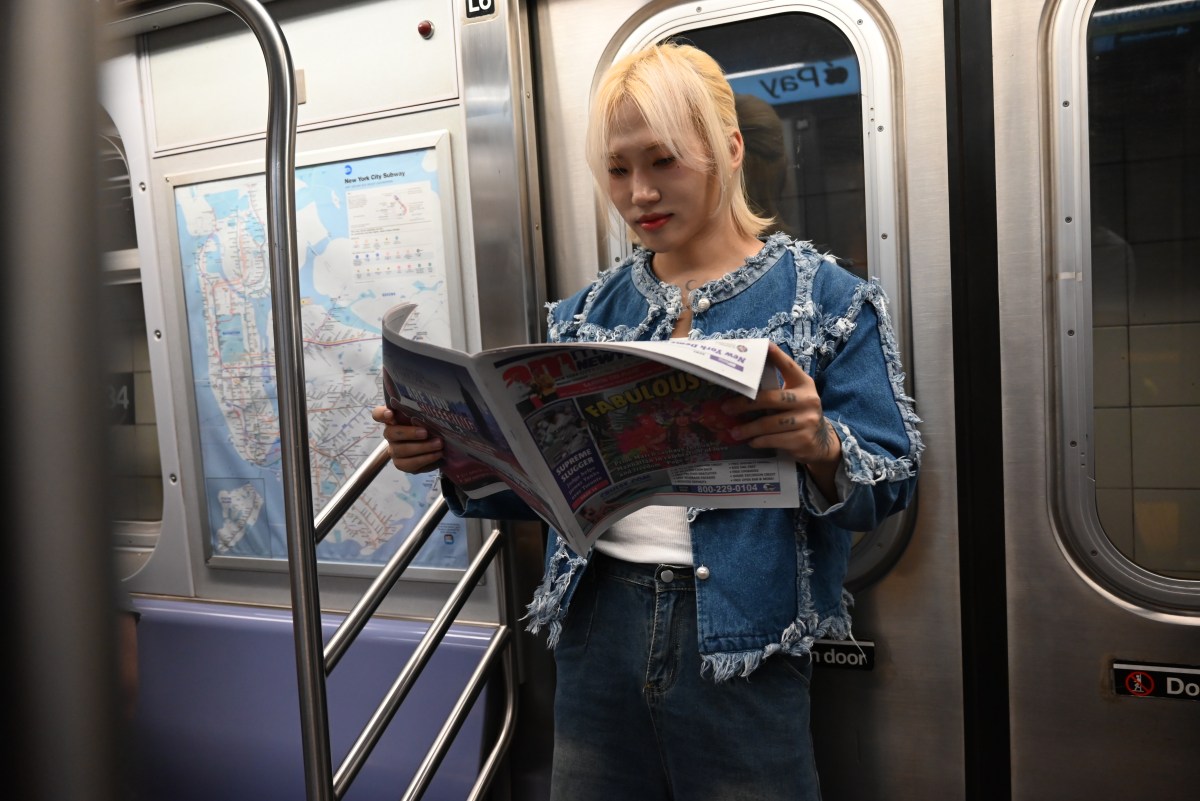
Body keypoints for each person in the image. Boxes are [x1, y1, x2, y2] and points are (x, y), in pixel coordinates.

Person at [373, 41, 921, 801]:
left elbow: (893, 478)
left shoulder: (826, 300)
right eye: (618, 169)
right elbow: (544, 487)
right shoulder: (590, 315)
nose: (638, 194)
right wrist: (448, 452)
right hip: (598, 626)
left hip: (740, 641)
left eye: (663, 161)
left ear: (729, 150)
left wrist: (823, 445)